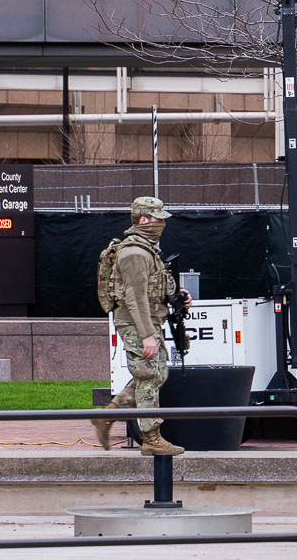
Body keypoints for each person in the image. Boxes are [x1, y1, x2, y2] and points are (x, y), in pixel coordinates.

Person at [92, 195, 191, 456]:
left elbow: (150, 288)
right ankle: (151, 437)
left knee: (157, 374)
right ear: (145, 220)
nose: (162, 225)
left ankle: (109, 414)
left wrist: (177, 295)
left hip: (148, 322)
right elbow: (134, 298)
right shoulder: (134, 253)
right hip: (138, 324)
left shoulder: (146, 250)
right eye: (159, 220)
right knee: (148, 376)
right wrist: (147, 335)